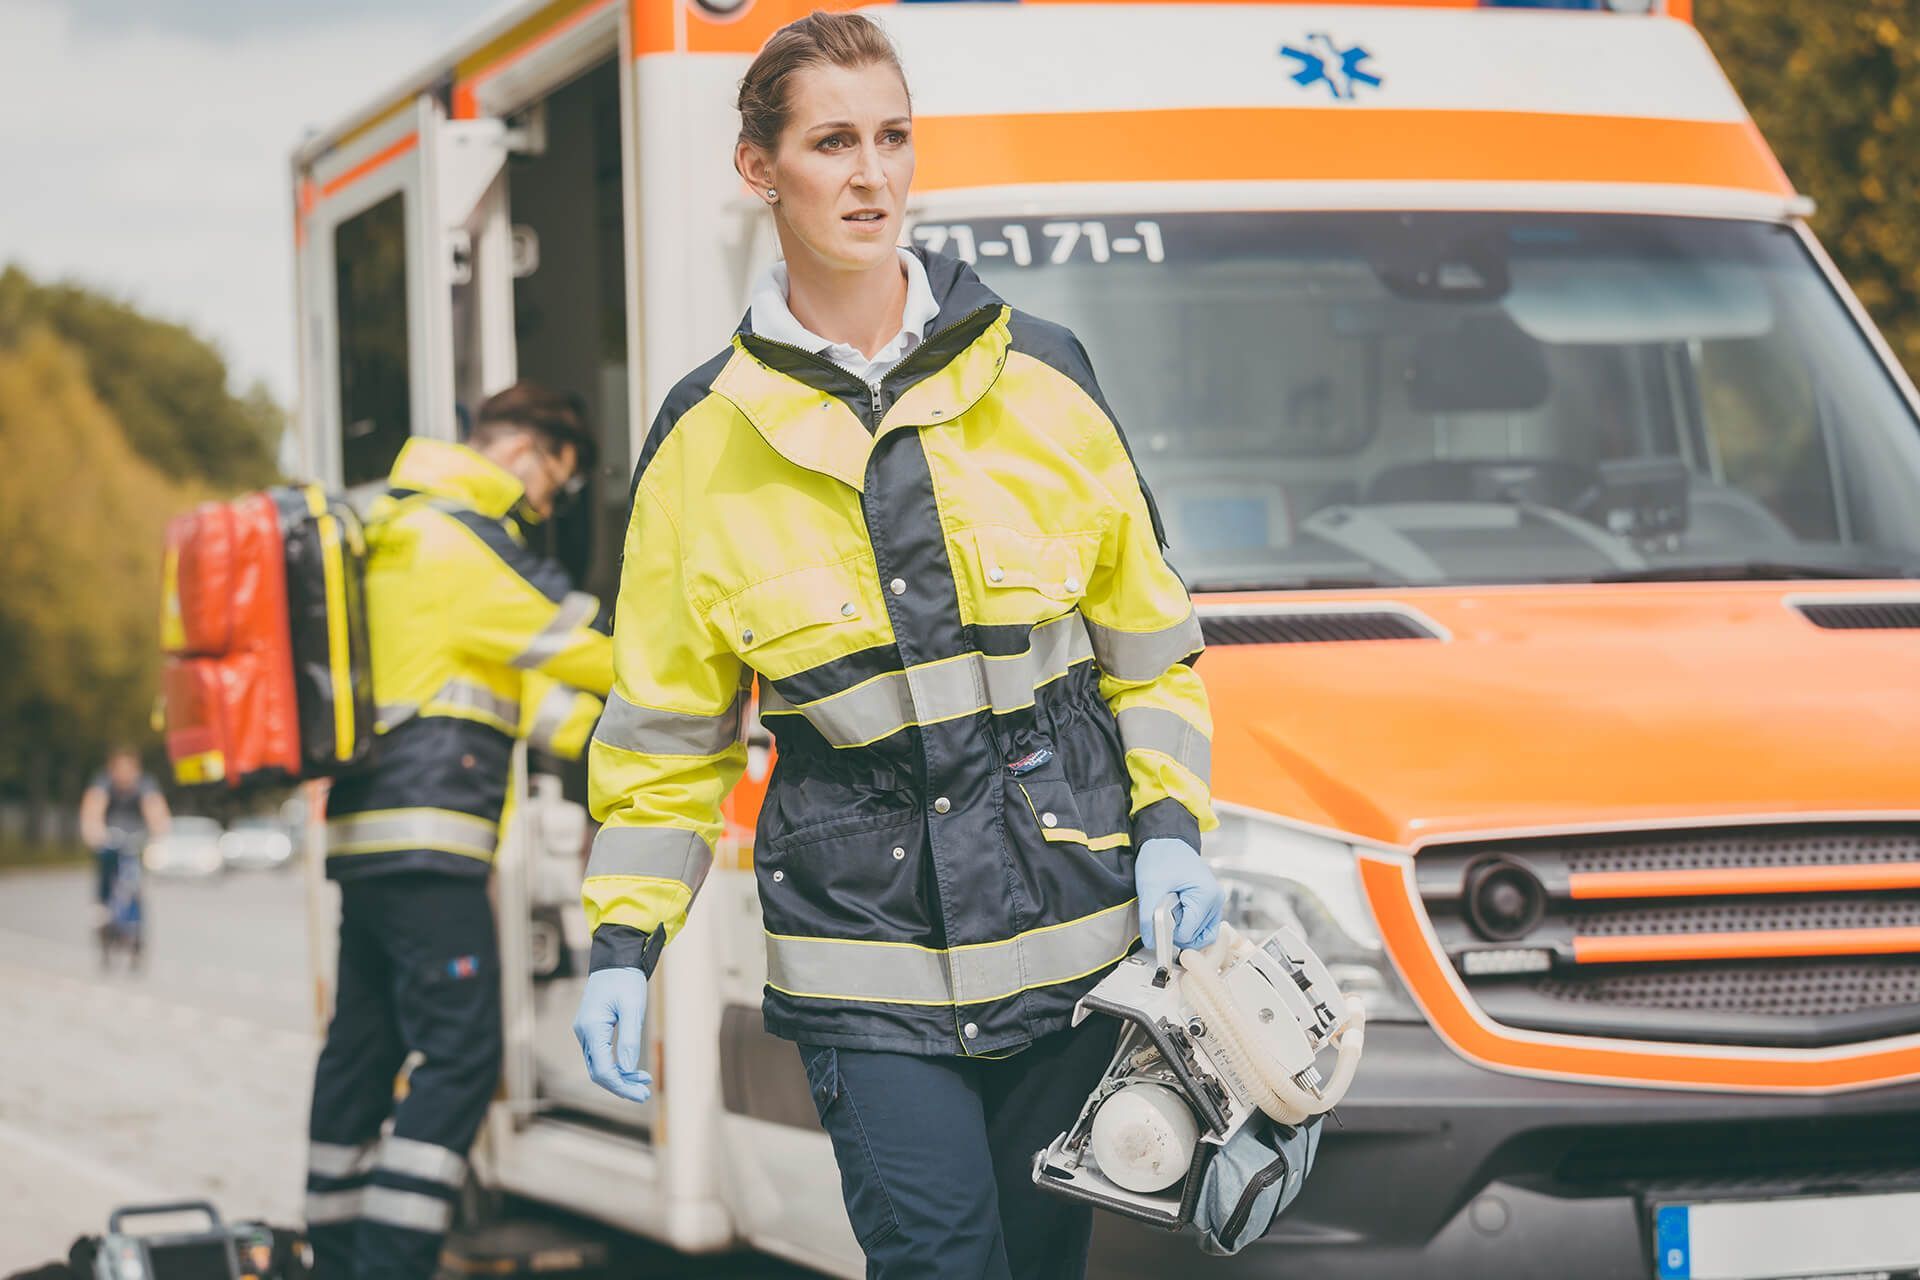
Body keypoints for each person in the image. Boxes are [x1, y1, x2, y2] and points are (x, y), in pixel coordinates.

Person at [573, 14, 1221, 1278]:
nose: (871, 175)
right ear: (760, 169)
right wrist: (622, 944)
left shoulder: (1043, 375)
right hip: (864, 964)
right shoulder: (705, 438)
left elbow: (1151, 649)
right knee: (940, 1260)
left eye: (892, 137)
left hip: (1069, 941)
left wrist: (1174, 827)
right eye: (831, 142)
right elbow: (665, 736)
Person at [305, 382, 613, 1279]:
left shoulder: (399, 531)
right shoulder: (464, 542)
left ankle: (335, 1249)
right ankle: (391, 1261)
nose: (545, 506)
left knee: (363, 1046)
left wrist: (605, 740)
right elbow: (590, 642)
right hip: (429, 841)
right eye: (551, 485)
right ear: (523, 454)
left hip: (371, 838)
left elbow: (516, 702)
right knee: (463, 1051)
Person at [78, 747, 170, 955]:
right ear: (112, 769)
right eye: (120, 769)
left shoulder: (145, 784)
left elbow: (155, 809)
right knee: (105, 860)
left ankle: (136, 925)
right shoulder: (103, 783)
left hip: (135, 836)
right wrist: (94, 833)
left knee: (135, 878)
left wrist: (159, 833)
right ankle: (102, 907)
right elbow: (93, 808)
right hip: (110, 835)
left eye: (129, 769)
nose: (124, 774)